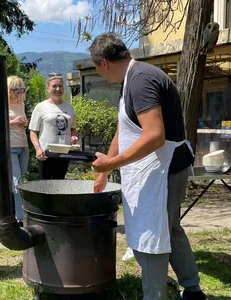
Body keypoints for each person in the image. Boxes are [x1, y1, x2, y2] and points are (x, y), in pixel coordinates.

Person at [89, 33, 205, 300]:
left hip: (164, 169)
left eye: (96, 68)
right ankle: (193, 290)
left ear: (104, 62)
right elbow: (126, 126)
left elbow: (154, 136)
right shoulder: (130, 79)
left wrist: (113, 163)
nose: (98, 73)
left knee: (153, 234)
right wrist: (106, 169)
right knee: (170, 228)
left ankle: (154, 296)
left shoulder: (141, 81)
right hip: (156, 167)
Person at [29, 73, 78, 179]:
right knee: (46, 186)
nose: (58, 89)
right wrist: (38, 148)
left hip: (64, 153)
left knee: (59, 185)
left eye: (60, 86)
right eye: (54, 86)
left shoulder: (69, 107)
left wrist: (74, 137)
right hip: (46, 153)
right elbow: (33, 131)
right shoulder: (41, 107)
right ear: (48, 88)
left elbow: (73, 128)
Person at [7, 75, 29, 226]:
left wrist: (25, 122)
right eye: (15, 90)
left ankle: (21, 213)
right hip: (11, 146)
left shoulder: (21, 105)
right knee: (16, 182)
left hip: (24, 145)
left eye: (21, 89)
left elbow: (26, 124)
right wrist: (14, 121)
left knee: (22, 180)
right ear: (8, 90)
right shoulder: (4, 105)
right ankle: (20, 218)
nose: (19, 93)